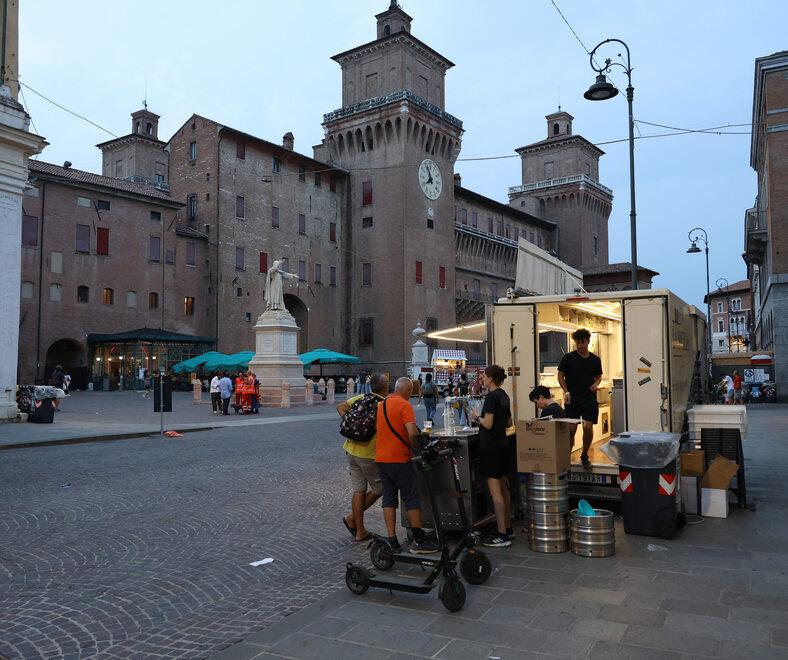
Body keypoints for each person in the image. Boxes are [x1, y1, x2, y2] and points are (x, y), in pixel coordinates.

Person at [375, 377, 439, 554]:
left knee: (388, 498)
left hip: (381, 459)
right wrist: (417, 445)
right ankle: (418, 539)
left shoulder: (382, 405)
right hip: (400, 459)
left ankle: (392, 538)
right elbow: (412, 433)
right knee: (411, 497)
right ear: (408, 391)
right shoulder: (404, 405)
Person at [337, 373, 388, 542]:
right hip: (368, 453)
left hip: (351, 449)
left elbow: (341, 407)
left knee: (359, 490)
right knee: (380, 489)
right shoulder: (383, 405)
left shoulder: (362, 397)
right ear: (385, 387)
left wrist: (353, 426)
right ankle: (352, 518)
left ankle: (360, 531)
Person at [470, 365, 513, 548]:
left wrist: (475, 416)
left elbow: (487, 424)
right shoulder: (504, 395)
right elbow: (509, 421)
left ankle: (502, 535)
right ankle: (508, 528)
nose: (482, 379)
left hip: (490, 447)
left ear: (491, 378)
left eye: (484, 377)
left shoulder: (491, 397)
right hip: (503, 445)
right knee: (504, 489)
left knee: (495, 492)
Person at [558, 328, 603, 471]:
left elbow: (598, 376)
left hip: (589, 399)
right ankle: (566, 457)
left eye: (583, 343)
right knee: (571, 429)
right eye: (578, 343)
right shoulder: (568, 358)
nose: (580, 346)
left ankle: (584, 455)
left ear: (588, 342)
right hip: (573, 399)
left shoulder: (595, 360)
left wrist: (596, 384)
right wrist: (566, 391)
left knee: (587, 426)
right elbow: (560, 376)